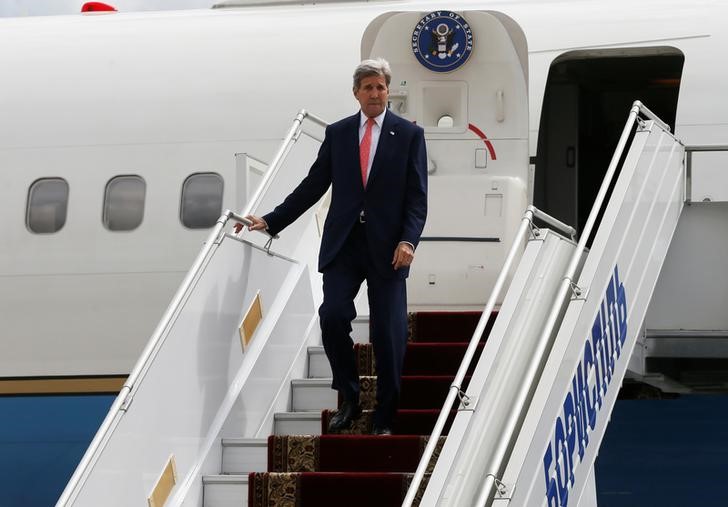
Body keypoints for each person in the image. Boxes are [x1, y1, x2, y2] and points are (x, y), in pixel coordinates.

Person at [242, 58, 427, 435]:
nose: (375, 94)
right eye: (368, 87)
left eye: (381, 87)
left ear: (388, 91)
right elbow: (314, 185)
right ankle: (350, 395)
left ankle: (385, 416)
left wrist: (408, 240)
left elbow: (417, 197)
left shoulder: (408, 135)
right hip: (344, 243)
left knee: (387, 334)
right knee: (332, 316)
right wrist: (272, 220)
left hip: (389, 248)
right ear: (356, 93)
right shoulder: (339, 134)